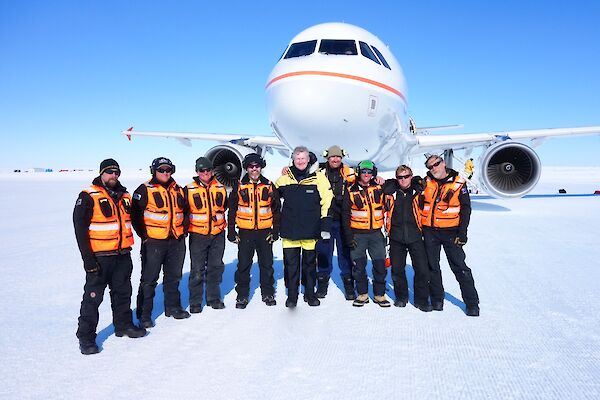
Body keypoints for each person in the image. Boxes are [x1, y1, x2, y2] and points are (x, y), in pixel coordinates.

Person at [74, 159, 146, 355]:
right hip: (99, 257)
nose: (113, 176)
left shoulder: (125, 196)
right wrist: (88, 259)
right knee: (93, 298)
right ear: (101, 174)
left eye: (116, 172)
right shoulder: (88, 196)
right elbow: (80, 230)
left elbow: (135, 220)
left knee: (123, 293)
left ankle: (123, 325)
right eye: (109, 172)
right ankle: (86, 336)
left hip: (122, 255)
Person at [131, 157, 190, 328]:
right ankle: (144, 314)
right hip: (154, 242)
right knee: (149, 280)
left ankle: (173, 307)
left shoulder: (178, 190)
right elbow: (135, 214)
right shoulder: (144, 190)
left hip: (176, 241)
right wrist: (144, 236)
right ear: (154, 171)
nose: (165, 173)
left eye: (168, 170)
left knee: (173, 277)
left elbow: (185, 212)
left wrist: (183, 231)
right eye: (161, 170)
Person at [420, 155, 480, 316]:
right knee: (432, 267)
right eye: (430, 166)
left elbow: (466, 209)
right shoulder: (425, 182)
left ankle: (472, 303)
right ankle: (437, 299)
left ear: (444, 163)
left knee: (460, 268)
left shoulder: (459, 183)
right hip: (430, 231)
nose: (434, 168)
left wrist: (462, 233)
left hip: (451, 232)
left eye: (436, 164)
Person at [275, 146, 333, 308]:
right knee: (291, 266)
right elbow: (272, 199)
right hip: (290, 231)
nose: (300, 162)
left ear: (308, 160)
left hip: (310, 230)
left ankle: (309, 294)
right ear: (293, 160)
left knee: (309, 265)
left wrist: (325, 225)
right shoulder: (284, 179)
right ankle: (292, 296)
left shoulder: (319, 178)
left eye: (303, 158)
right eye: (297, 158)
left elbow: (327, 201)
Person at [228, 153, 280, 308]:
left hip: (265, 232)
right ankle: (242, 296)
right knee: (243, 265)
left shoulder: (269, 185)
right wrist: (231, 231)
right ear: (246, 168)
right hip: (245, 232)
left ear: (261, 167)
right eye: (251, 166)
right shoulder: (239, 186)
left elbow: (277, 209)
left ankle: (268, 292)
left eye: (257, 166)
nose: (254, 169)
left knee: (267, 265)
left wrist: (275, 230)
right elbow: (232, 210)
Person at [382, 165, 432, 312]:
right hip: (396, 237)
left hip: (416, 236)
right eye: (400, 177)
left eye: (406, 176)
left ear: (411, 176)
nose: (403, 180)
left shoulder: (419, 191)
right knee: (397, 270)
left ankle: (421, 300)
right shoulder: (391, 193)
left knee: (422, 269)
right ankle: (401, 297)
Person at [342, 160, 391, 307]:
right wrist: (349, 236)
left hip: (376, 234)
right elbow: (345, 214)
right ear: (359, 172)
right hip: (358, 234)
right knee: (359, 266)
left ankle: (379, 294)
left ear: (373, 173)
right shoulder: (350, 190)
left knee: (380, 265)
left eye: (369, 172)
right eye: (363, 171)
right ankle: (362, 294)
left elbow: (394, 185)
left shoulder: (379, 187)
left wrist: (383, 181)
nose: (366, 174)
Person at [185, 157, 228, 311]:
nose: (205, 173)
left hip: (217, 234)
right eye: (201, 170)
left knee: (215, 267)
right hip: (198, 235)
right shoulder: (189, 189)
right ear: (197, 171)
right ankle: (195, 301)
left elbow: (225, 207)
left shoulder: (221, 188)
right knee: (197, 269)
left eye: (208, 170)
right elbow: (184, 211)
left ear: (212, 171)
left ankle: (213, 298)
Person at [314, 145, 356, 300]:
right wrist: (287, 169)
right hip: (325, 221)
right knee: (324, 253)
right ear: (327, 158)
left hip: (343, 222)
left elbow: (367, 179)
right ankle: (322, 283)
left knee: (345, 254)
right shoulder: (319, 173)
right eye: (332, 156)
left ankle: (349, 285)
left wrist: (377, 177)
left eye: (338, 156)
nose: (335, 159)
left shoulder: (350, 174)